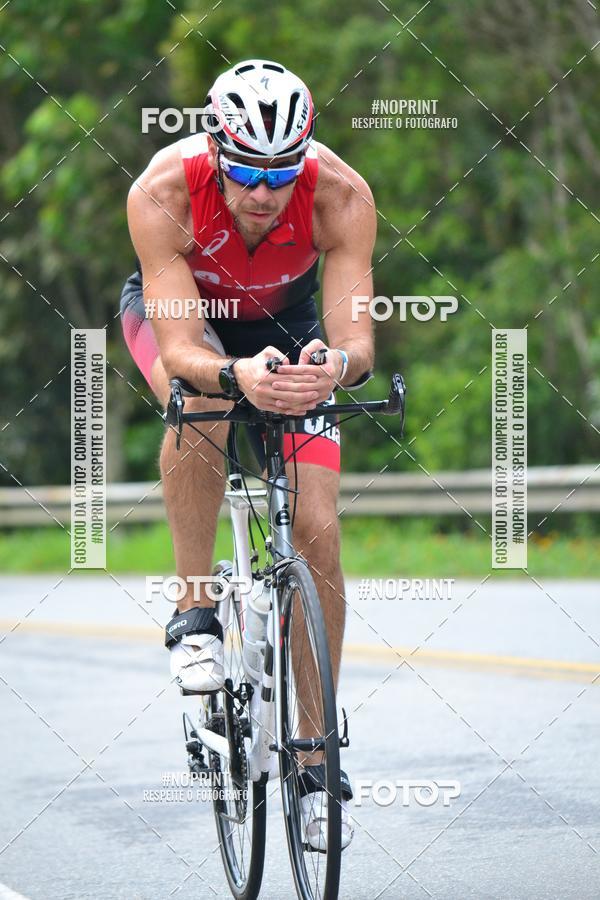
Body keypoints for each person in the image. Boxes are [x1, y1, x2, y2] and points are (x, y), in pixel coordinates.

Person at [120, 58, 376, 851]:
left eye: (281, 172)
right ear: (214, 148)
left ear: (305, 158)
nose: (264, 192)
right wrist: (235, 377)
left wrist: (331, 367)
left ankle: (315, 759)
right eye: (246, 171)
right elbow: (180, 348)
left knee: (318, 529)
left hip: (288, 330)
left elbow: (358, 341)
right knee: (198, 401)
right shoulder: (163, 192)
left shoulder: (342, 196)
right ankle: (195, 611)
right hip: (185, 324)